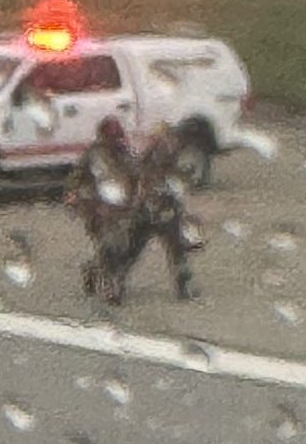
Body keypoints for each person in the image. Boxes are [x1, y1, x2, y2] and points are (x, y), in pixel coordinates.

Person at [64, 118, 202, 305]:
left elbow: (141, 177)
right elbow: (77, 182)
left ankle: (182, 284)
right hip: (104, 211)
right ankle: (104, 279)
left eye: (168, 138)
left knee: (175, 248)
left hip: (157, 211)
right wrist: (78, 200)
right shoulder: (94, 155)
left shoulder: (135, 155)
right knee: (116, 249)